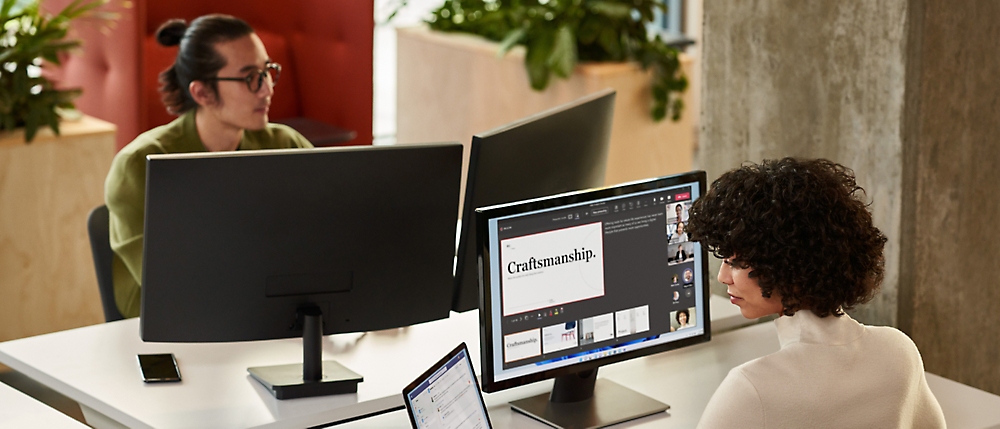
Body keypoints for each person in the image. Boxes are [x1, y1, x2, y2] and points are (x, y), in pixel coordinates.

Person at [687, 158, 944, 428]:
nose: (722, 277)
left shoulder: (750, 389)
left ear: (785, 263)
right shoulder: (899, 351)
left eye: (737, 263)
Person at [105, 15, 313, 318]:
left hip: (270, 322)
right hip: (171, 336)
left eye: (267, 71)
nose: (266, 89)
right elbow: (174, 287)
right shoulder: (140, 167)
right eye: (249, 77)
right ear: (201, 93)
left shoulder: (285, 145)